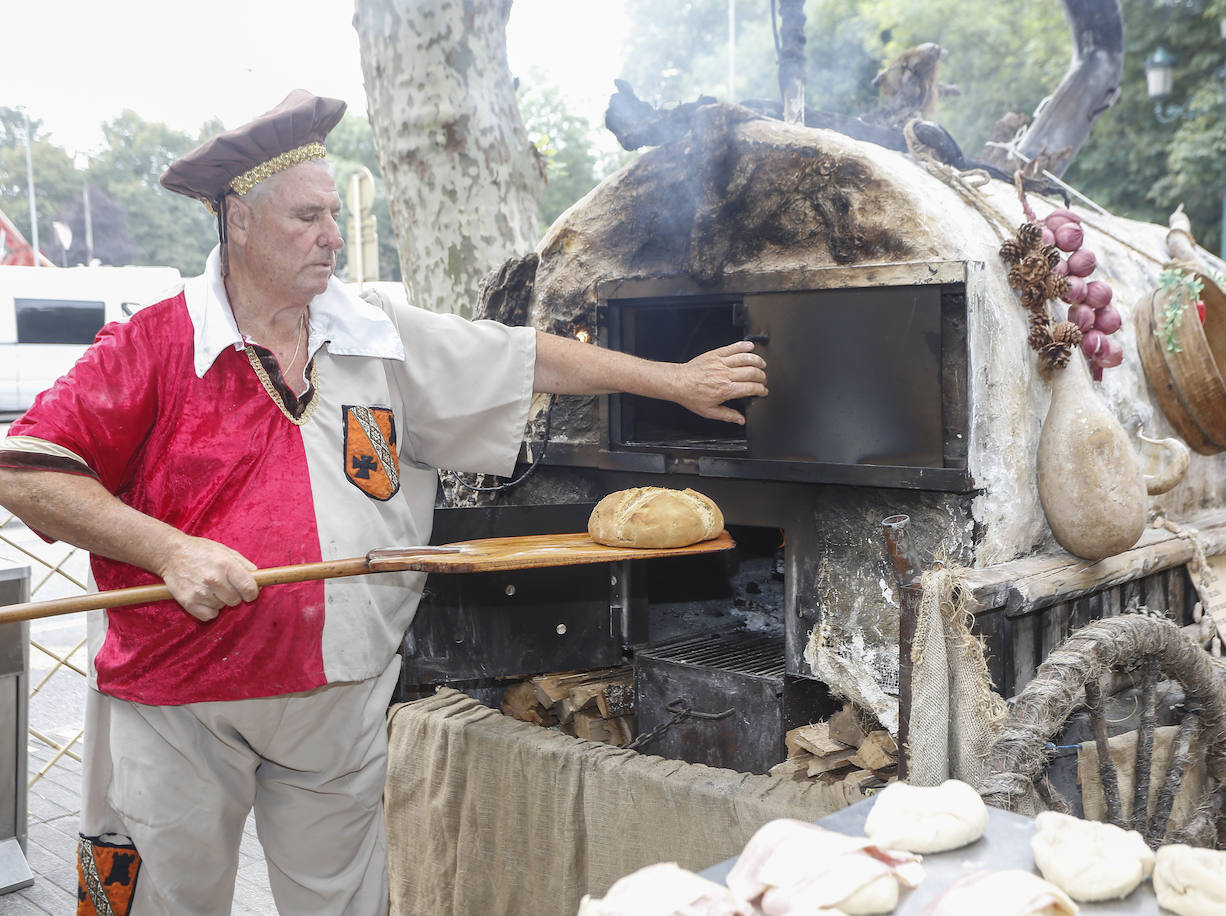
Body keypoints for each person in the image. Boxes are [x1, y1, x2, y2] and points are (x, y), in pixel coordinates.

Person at [0, 90, 767, 916]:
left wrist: (675, 382)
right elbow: (25, 471)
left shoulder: (373, 330)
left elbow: (520, 358)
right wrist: (171, 551)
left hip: (340, 695)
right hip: (179, 699)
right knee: (160, 905)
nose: (333, 234)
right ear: (239, 220)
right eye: (307, 216)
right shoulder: (153, 343)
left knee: (345, 907)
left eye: (334, 212)